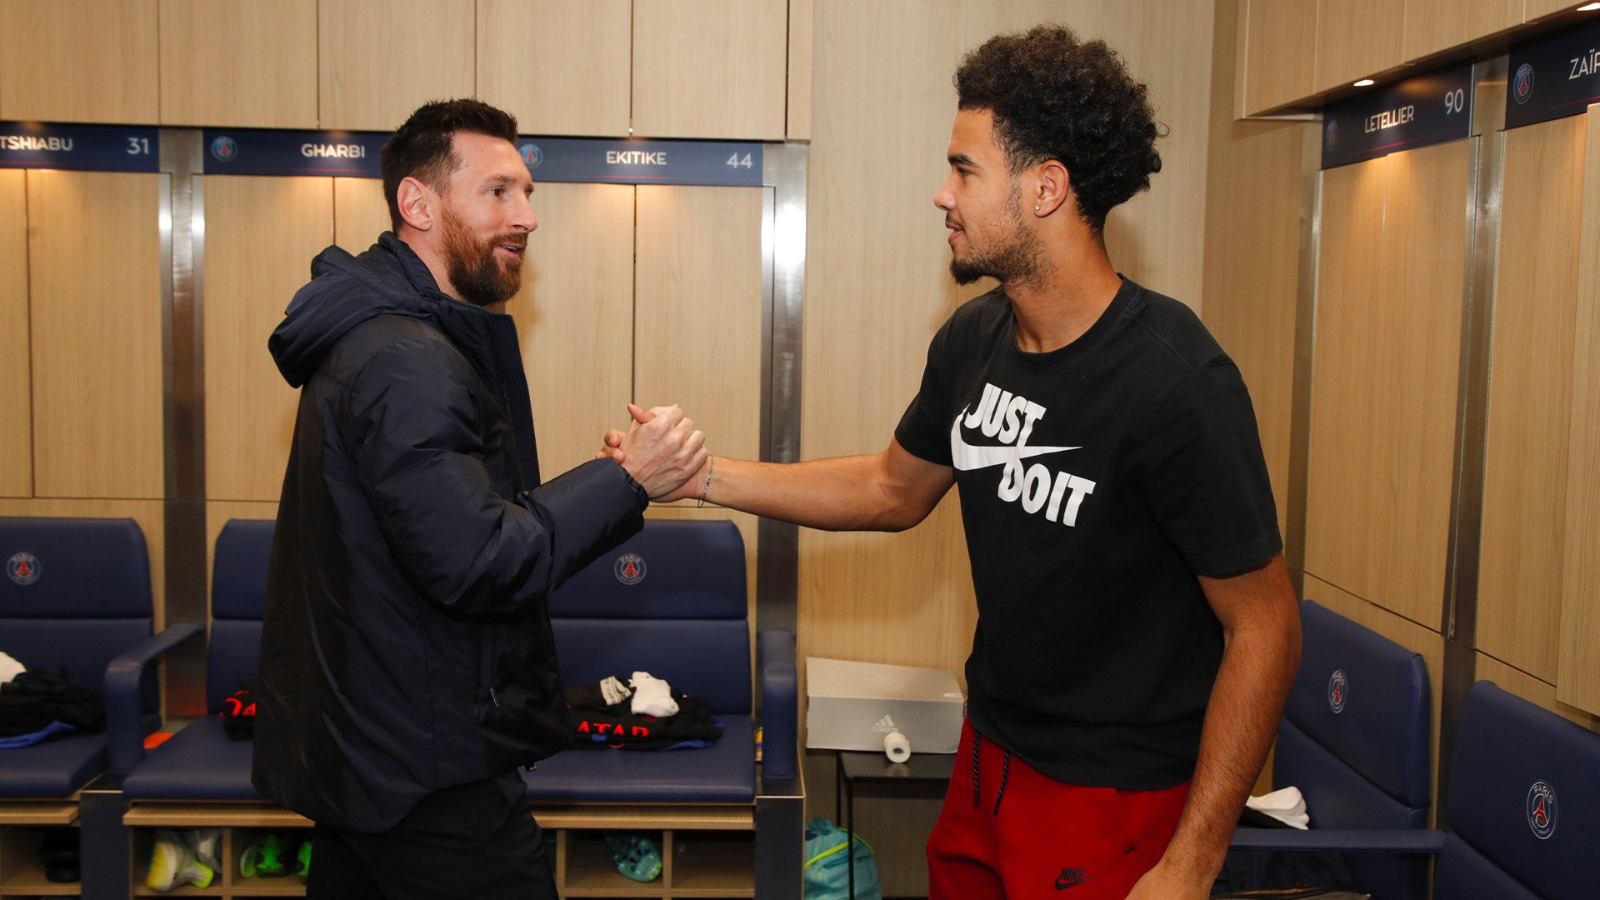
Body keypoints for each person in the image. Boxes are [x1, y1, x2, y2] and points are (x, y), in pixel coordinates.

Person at [614, 24, 1300, 900]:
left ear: (1046, 187)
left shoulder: (1177, 381)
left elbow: (1266, 628)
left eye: (965, 170)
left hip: (1114, 793)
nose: (943, 194)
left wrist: (1192, 863)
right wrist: (703, 477)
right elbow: (889, 488)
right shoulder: (974, 339)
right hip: (990, 755)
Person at [254, 99, 706, 900]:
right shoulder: (404, 359)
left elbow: (444, 528)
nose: (526, 216)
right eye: (498, 192)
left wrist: (608, 482)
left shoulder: (393, 337)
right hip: (422, 769)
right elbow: (479, 560)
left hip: (369, 751)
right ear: (418, 204)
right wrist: (626, 480)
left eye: (526, 193)